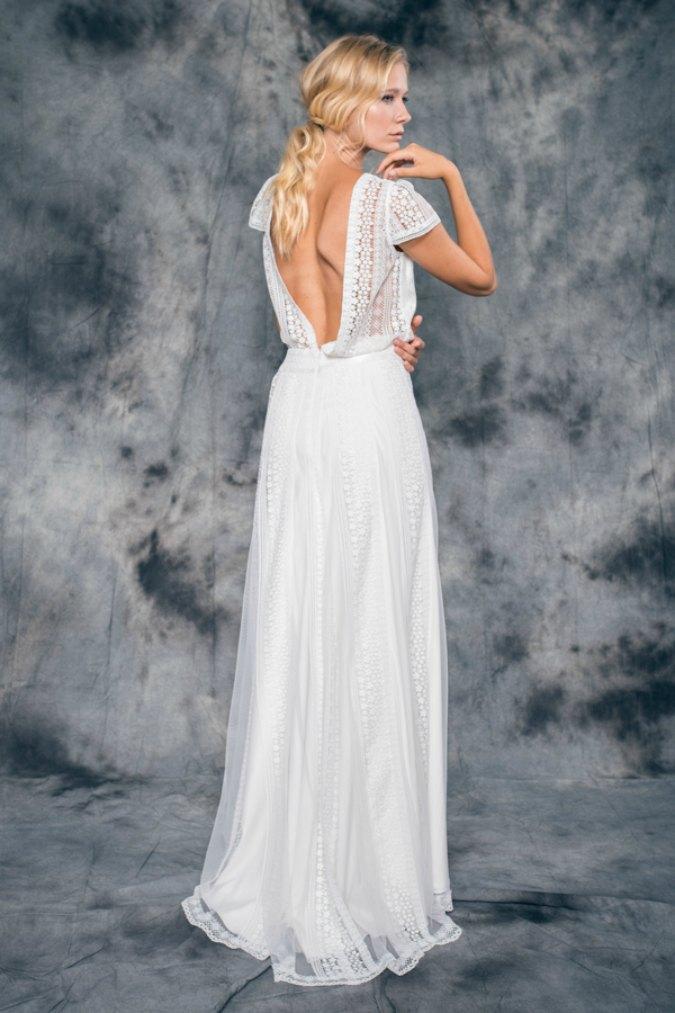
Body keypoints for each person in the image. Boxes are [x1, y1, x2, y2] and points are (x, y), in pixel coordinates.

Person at [181, 33, 497, 988]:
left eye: (405, 99)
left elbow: (322, 329)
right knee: (367, 622)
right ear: (344, 100)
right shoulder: (388, 198)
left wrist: (381, 335)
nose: (405, 115)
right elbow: (479, 276)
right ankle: (363, 882)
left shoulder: (276, 192)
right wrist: (451, 178)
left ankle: (291, 869)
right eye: (389, 97)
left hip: (303, 405)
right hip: (364, 416)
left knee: (306, 620)